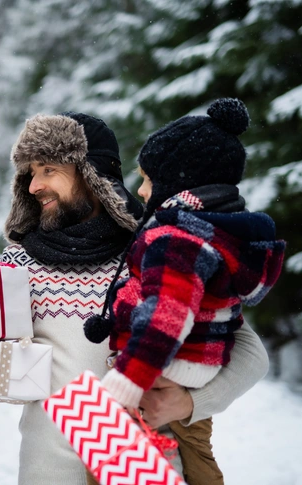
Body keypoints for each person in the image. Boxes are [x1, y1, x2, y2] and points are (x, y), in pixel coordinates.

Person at [0, 111, 271, 484]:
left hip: (144, 470)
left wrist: (189, 404)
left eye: (48, 169)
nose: (33, 186)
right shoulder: (17, 265)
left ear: (91, 173)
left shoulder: (158, 254)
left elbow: (250, 354)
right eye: (30, 173)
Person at [84, 98, 285, 484]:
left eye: (147, 179)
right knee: (197, 461)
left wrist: (128, 381)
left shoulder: (175, 240)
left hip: (157, 379)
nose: (140, 192)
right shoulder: (215, 235)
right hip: (189, 376)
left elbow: (167, 315)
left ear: (177, 183)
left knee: (140, 468)